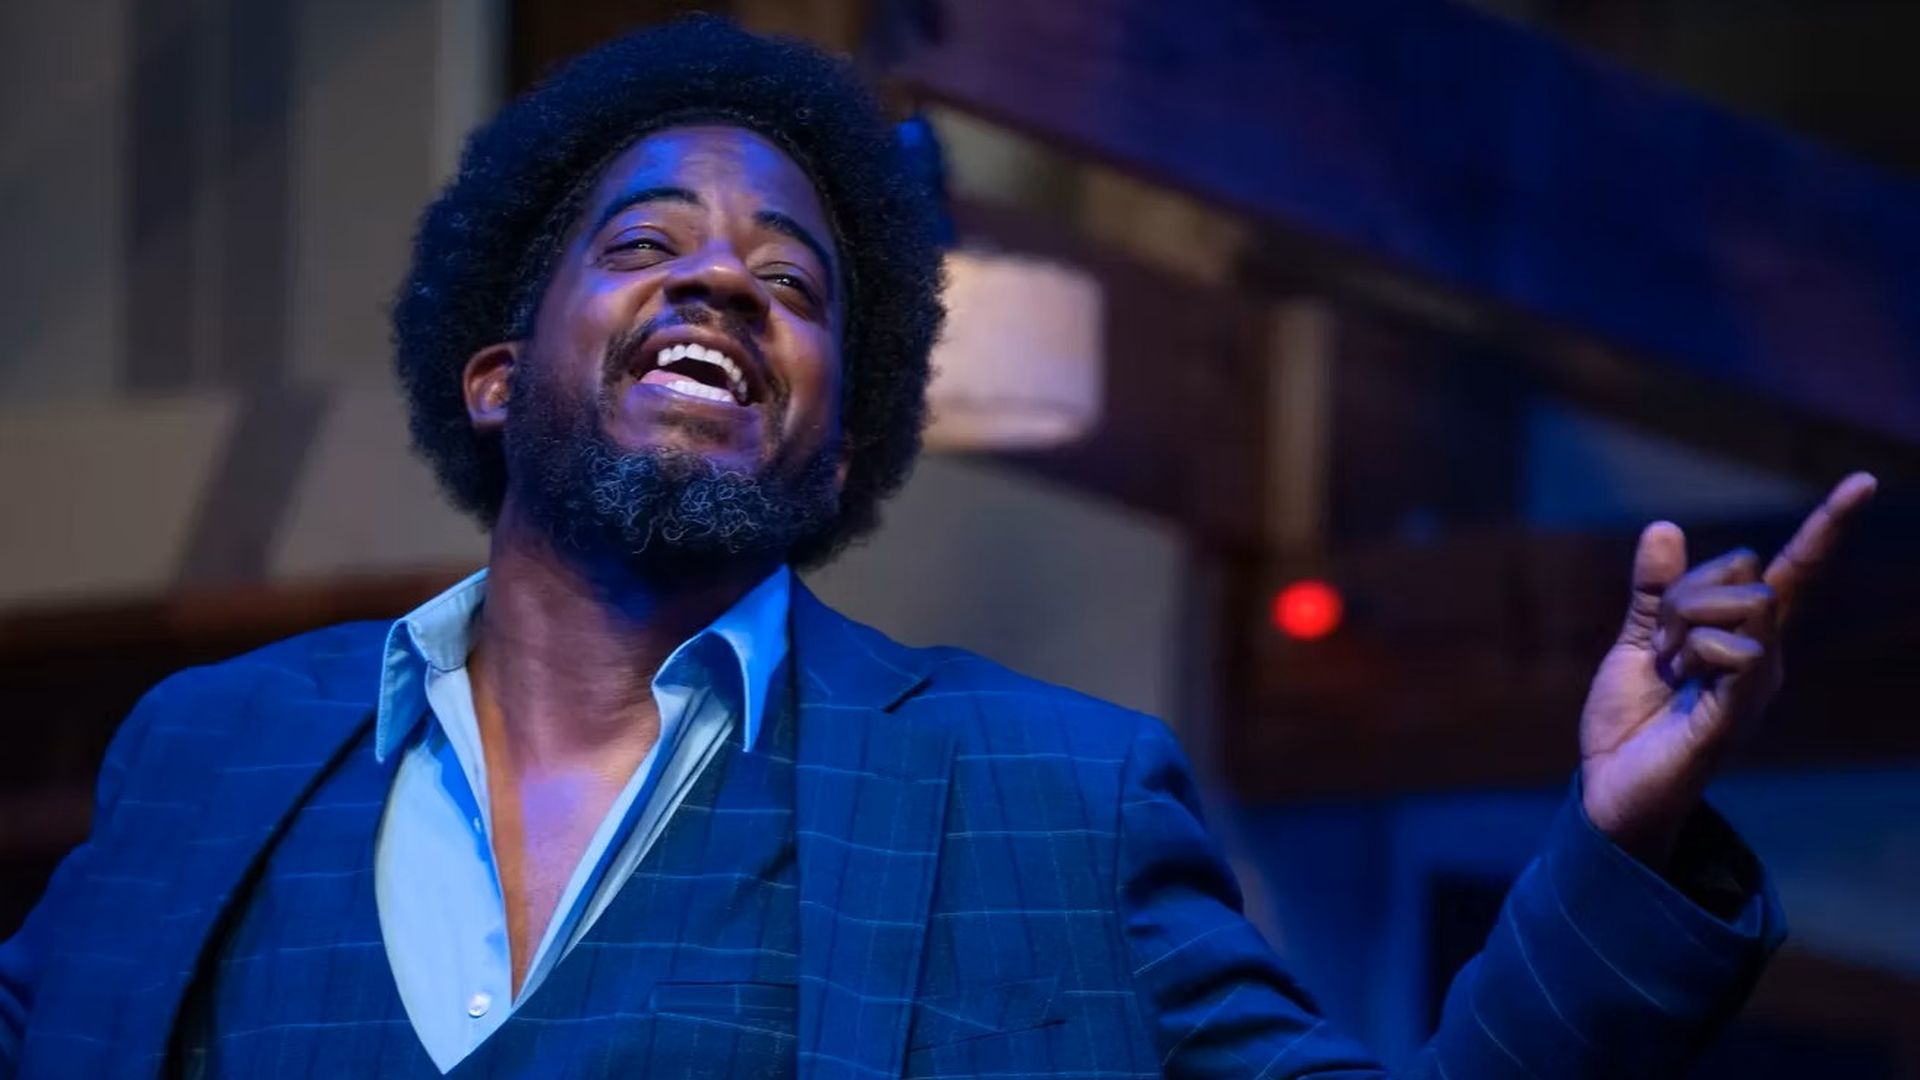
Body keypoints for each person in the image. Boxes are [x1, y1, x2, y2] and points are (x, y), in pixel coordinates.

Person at [0, 15, 1877, 1079]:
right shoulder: (208, 760)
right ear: (497, 377)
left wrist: (1619, 846)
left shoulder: (1049, 802)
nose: (726, 272)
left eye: (793, 279)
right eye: (646, 245)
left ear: (831, 450)